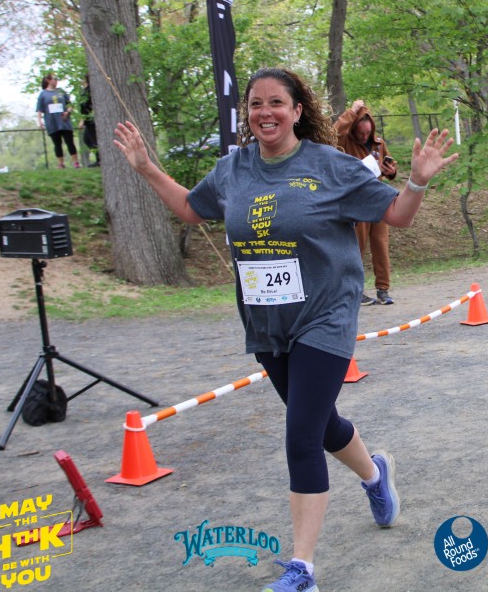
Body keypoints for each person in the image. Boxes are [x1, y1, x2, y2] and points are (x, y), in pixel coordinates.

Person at [113, 67, 458, 592]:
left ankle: (302, 569)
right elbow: (189, 209)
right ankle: (374, 474)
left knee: (300, 437)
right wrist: (145, 168)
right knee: (321, 425)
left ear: (297, 111)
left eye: (276, 102)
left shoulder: (330, 166)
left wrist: (416, 181)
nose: (265, 112)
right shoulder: (233, 169)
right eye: (256, 104)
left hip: (326, 315)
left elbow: (396, 216)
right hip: (268, 321)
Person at [333, 99, 398, 305]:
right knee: (356, 246)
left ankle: (383, 289)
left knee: (381, 244)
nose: (364, 136)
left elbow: (389, 165)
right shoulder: (345, 142)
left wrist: (391, 171)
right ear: (354, 129)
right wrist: (351, 111)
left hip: (378, 198)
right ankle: (356, 290)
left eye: (368, 133)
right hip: (356, 200)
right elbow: (332, 134)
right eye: (361, 133)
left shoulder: (378, 143)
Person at [36, 73, 80, 168]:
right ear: (48, 80)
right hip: (52, 122)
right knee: (57, 144)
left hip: (64, 122)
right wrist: (40, 122)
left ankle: (75, 162)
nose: (56, 81)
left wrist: (67, 112)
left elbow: (70, 105)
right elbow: (39, 109)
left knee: (69, 142)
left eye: (57, 79)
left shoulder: (61, 92)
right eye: (54, 79)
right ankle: (61, 163)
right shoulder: (43, 94)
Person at [79, 75, 100, 167]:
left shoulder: (89, 91)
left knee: (93, 140)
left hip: (91, 120)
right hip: (88, 120)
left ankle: (99, 160)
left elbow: (87, 107)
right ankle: (99, 158)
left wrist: (83, 120)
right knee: (87, 139)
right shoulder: (85, 91)